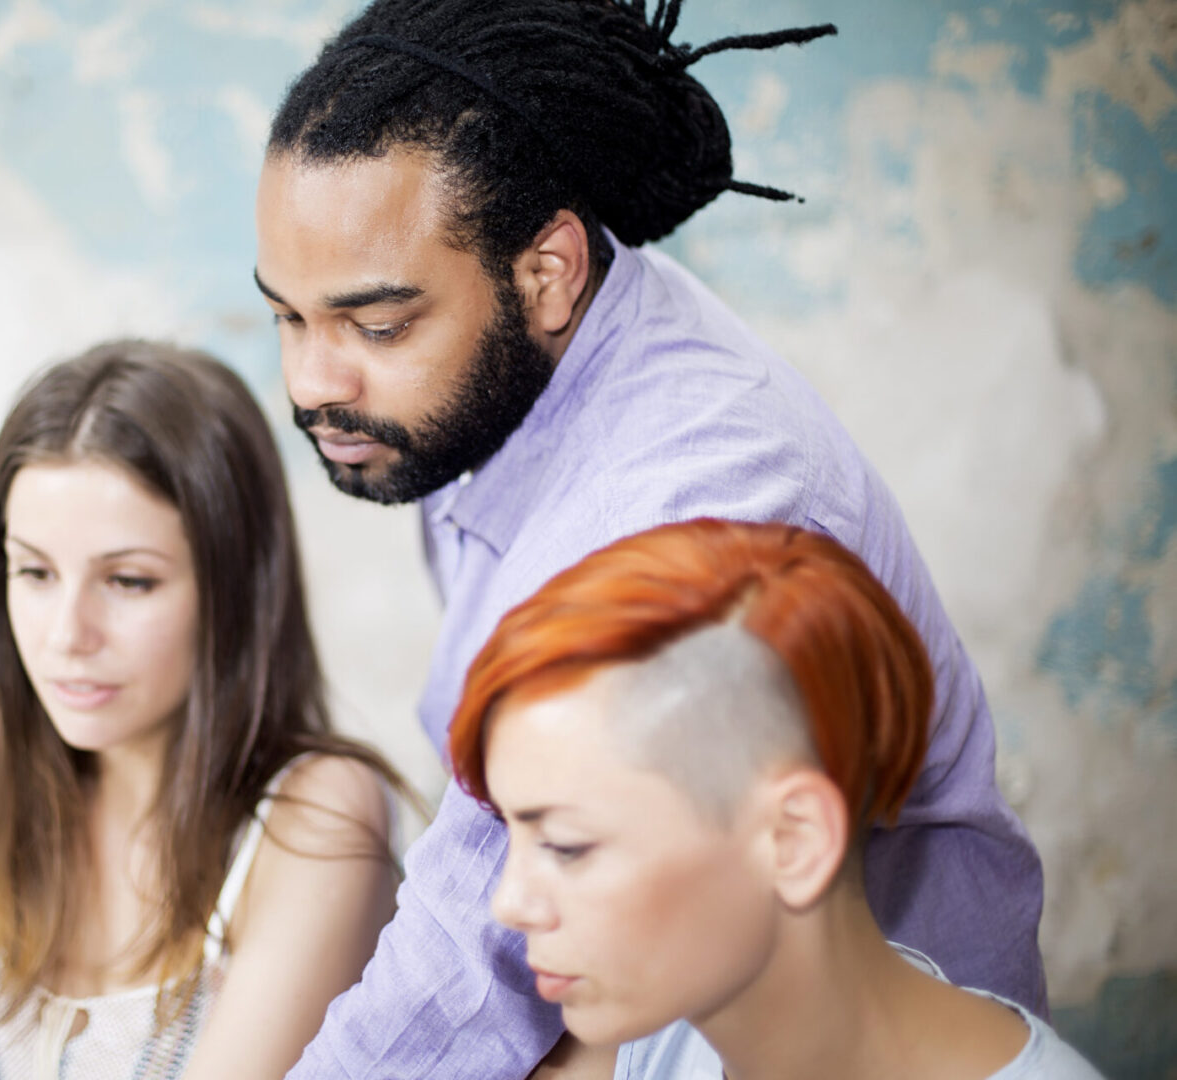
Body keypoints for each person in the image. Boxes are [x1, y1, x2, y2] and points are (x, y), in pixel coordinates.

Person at [252, 0, 1045, 1075]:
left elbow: (479, 947)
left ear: (551, 272)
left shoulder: (688, 503)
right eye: (287, 317)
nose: (311, 382)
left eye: (376, 325)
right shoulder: (485, 382)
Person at [0, 341, 406, 1080]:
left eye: (127, 582)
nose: (66, 637)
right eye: (33, 571)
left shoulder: (315, 819)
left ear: (236, 589)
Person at [448, 518, 1101, 1080]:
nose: (511, 903)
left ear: (795, 839)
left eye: (566, 846)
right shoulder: (671, 1024)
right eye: (514, 834)